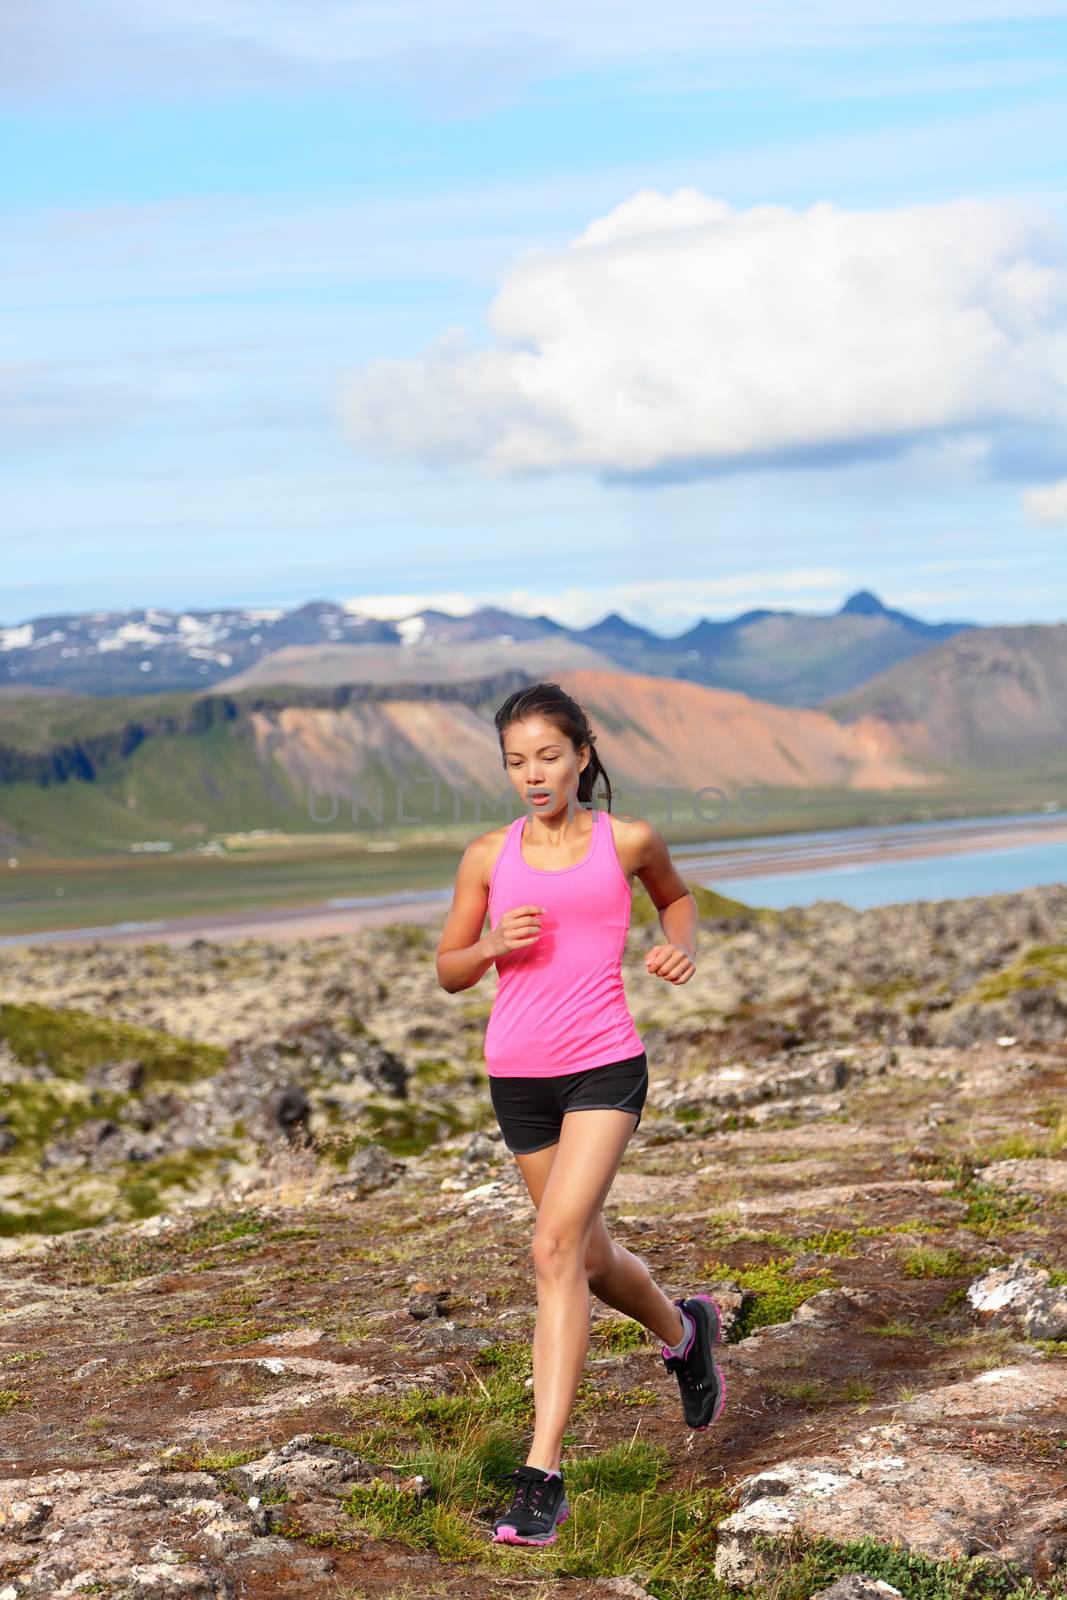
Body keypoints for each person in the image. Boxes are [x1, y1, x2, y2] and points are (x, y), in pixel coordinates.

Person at [436, 681, 726, 1547]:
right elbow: (448, 967)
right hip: (517, 1079)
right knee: (589, 1259)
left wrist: (678, 945)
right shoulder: (488, 856)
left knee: (553, 1246)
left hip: (604, 1067)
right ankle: (686, 1332)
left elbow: (675, 899)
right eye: (516, 762)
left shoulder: (627, 840)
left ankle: (542, 1477)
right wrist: (490, 945)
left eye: (547, 757)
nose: (533, 774)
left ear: (582, 755)